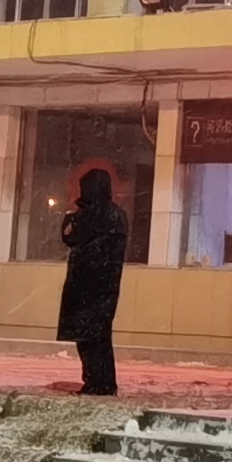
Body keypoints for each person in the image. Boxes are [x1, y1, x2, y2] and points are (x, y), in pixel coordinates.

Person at [57, 166, 127, 398]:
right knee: (92, 337)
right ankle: (97, 381)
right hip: (96, 287)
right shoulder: (110, 215)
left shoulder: (102, 216)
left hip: (94, 287)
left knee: (94, 338)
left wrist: (77, 221)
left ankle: (101, 382)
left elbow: (80, 242)